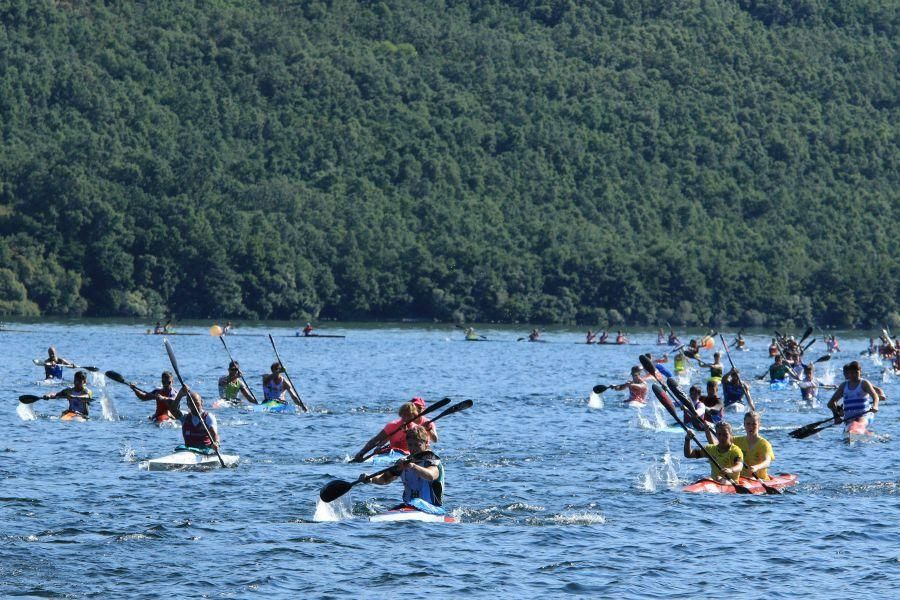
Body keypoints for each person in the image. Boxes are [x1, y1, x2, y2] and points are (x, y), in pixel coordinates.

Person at [363, 425, 446, 514]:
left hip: (433, 509)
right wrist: (371, 479)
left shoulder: (433, 460)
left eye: (417, 445)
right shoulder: (403, 462)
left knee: (416, 501)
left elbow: (431, 475)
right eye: (410, 445)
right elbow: (385, 478)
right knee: (395, 509)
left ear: (426, 444)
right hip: (409, 506)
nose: (413, 449)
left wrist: (413, 466)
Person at [352, 399, 438, 462]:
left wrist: (428, 430)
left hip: (408, 456)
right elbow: (376, 440)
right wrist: (362, 452)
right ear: (400, 415)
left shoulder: (416, 429)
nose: (406, 418)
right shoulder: (392, 425)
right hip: (391, 453)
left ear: (414, 415)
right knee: (377, 460)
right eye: (404, 415)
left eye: (409, 415)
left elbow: (425, 445)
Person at [827, 361, 880, 433]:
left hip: (864, 416)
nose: (854, 375)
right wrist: (836, 416)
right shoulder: (843, 385)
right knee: (852, 426)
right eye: (851, 373)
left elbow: (875, 396)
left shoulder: (864, 383)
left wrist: (875, 406)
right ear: (848, 373)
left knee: (855, 425)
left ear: (860, 371)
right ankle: (864, 433)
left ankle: (856, 431)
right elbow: (830, 403)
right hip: (849, 418)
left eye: (856, 372)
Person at [733, 412, 774, 480]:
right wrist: (708, 431)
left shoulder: (764, 444)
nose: (750, 427)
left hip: (759, 479)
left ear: (759, 425)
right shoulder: (736, 441)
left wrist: (756, 467)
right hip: (741, 478)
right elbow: (717, 445)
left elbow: (767, 462)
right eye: (748, 424)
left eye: (754, 424)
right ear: (744, 425)